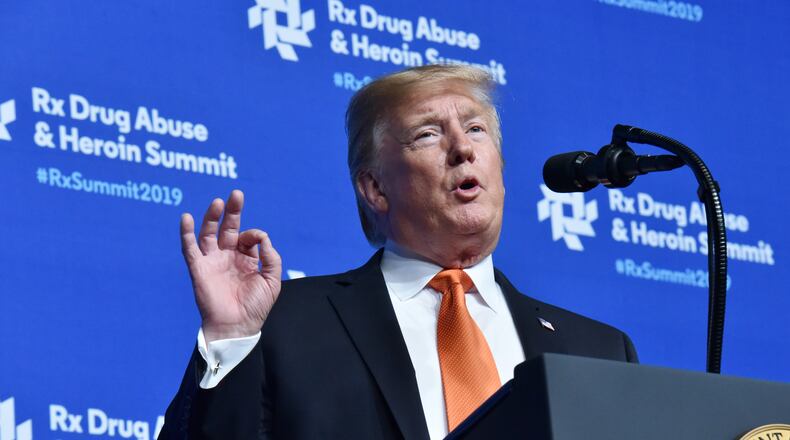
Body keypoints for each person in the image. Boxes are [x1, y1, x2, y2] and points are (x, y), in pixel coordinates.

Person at [158, 64, 637, 440]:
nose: (462, 148)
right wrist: (231, 340)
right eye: (428, 134)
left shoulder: (599, 351)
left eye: (476, 129)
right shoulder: (284, 325)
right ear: (375, 188)